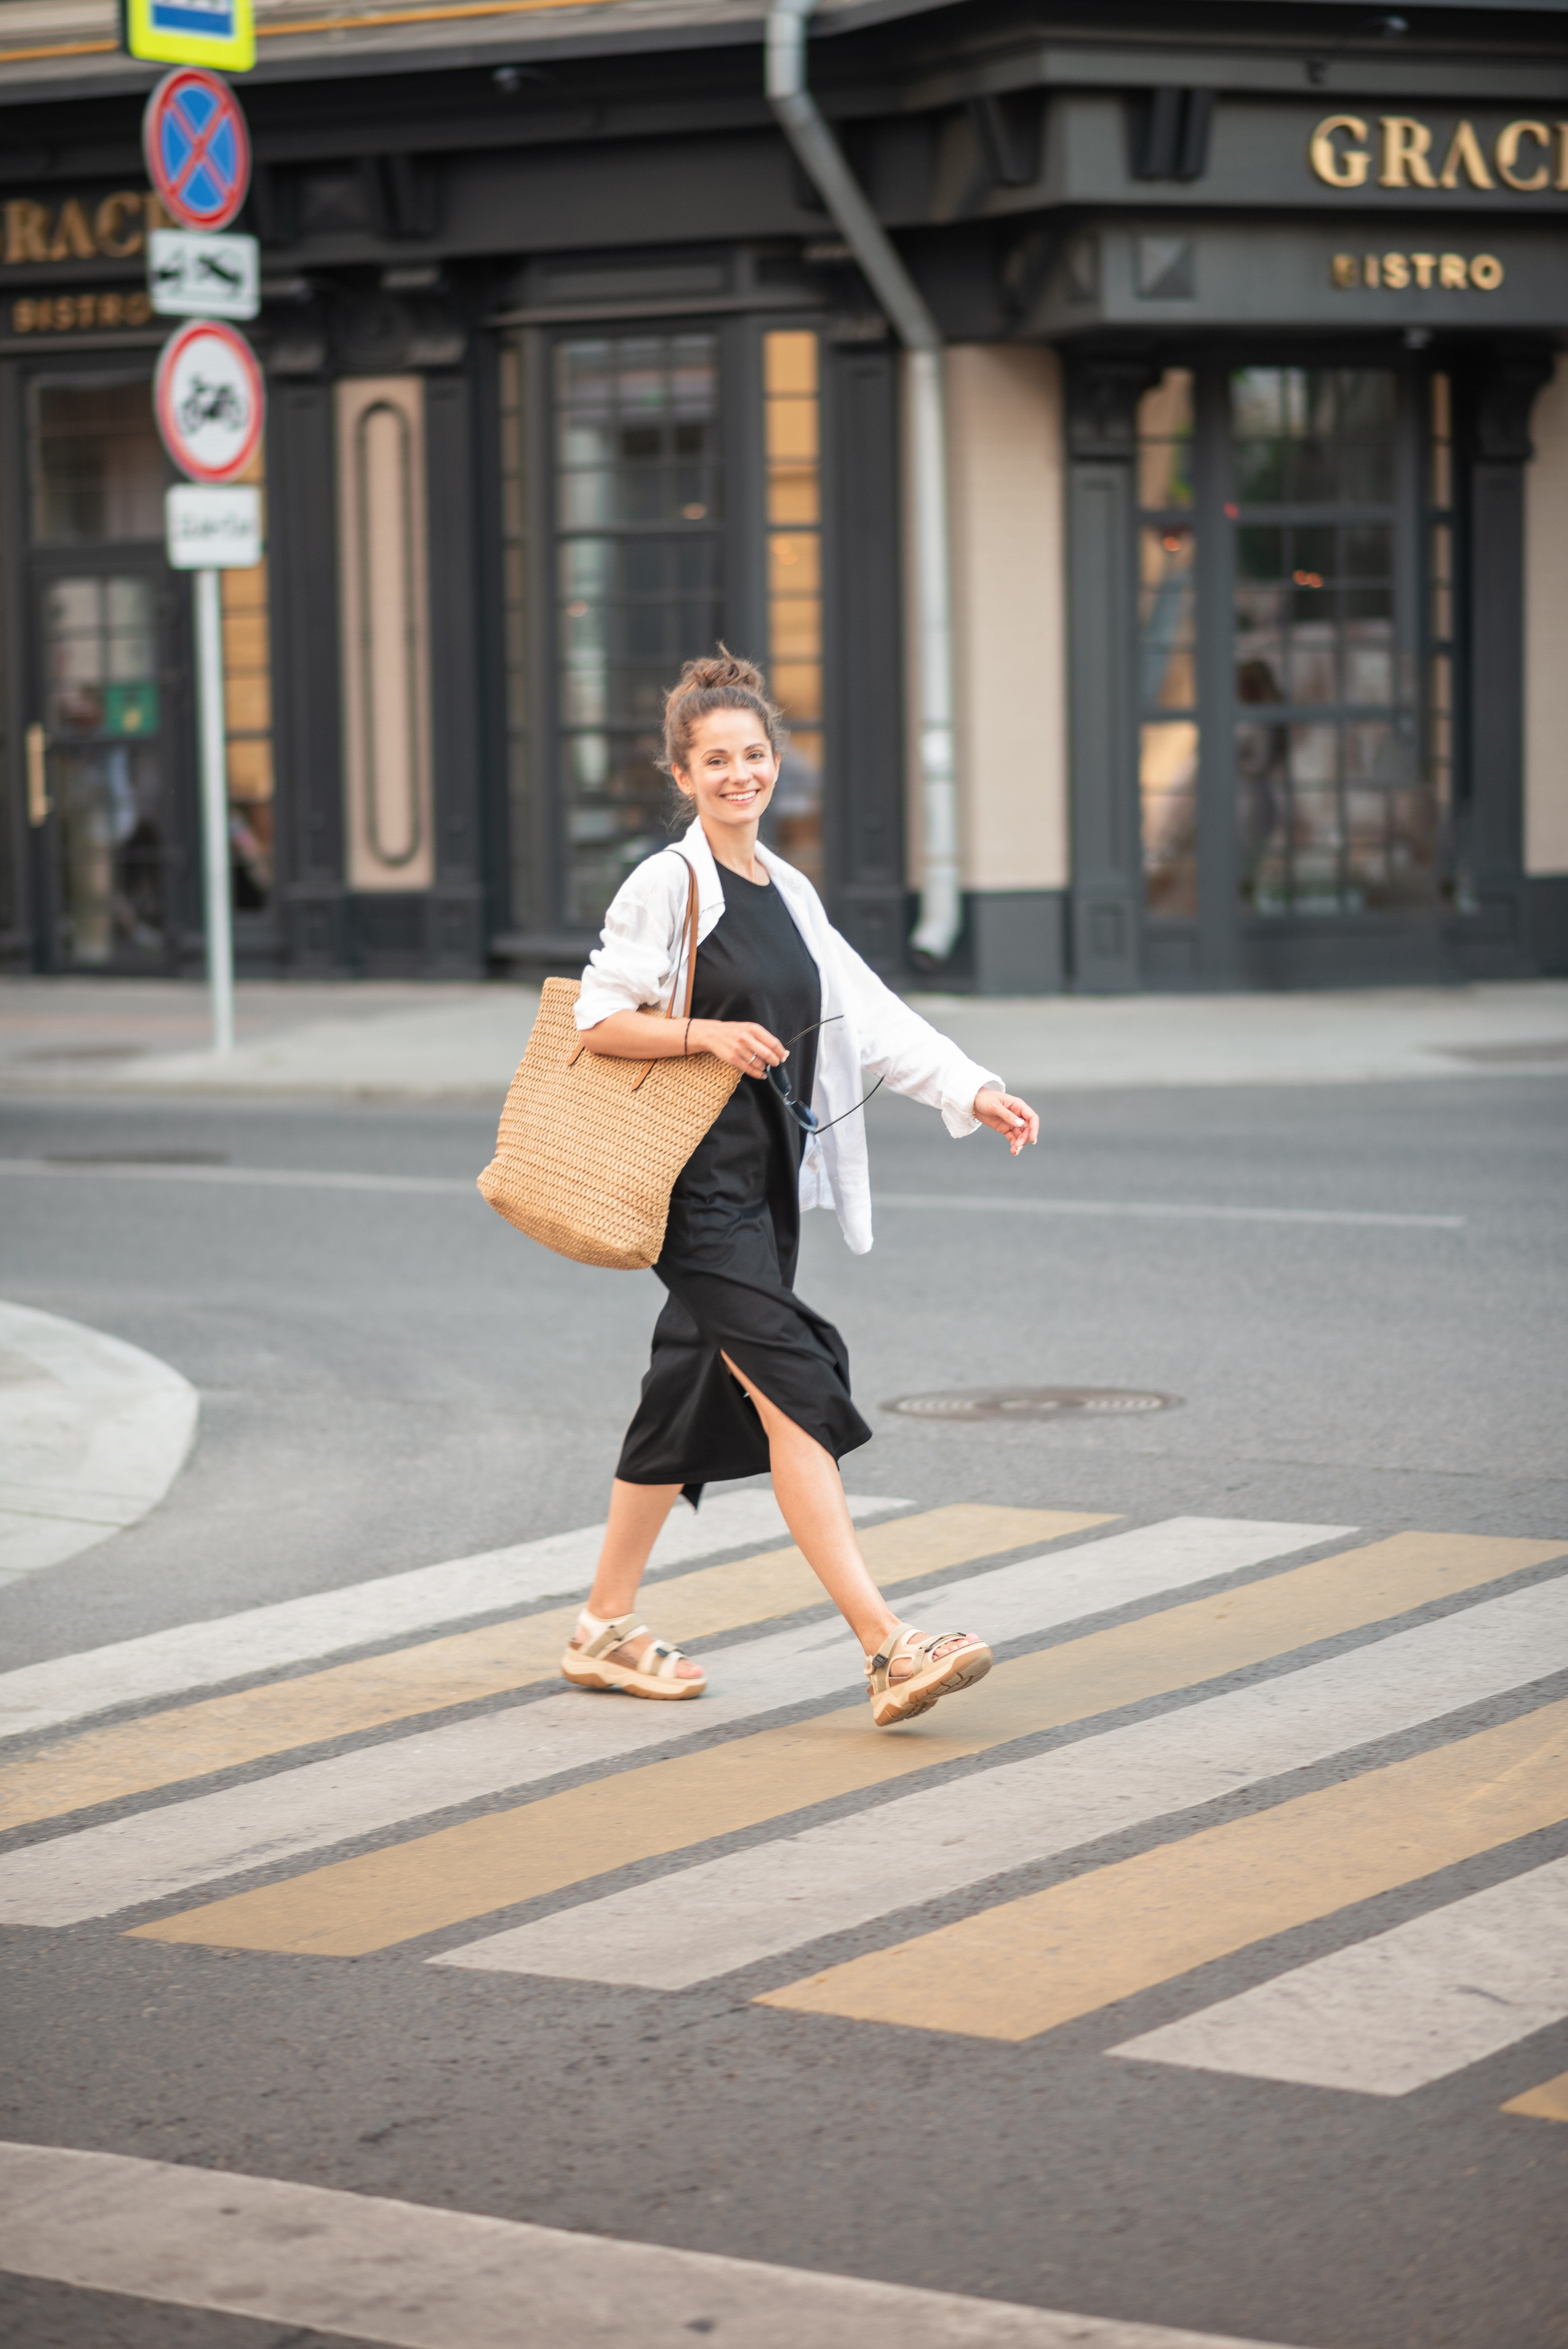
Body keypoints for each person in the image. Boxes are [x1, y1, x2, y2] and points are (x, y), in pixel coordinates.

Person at [562, 651, 1040, 1730]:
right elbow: (598, 1019)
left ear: (776, 763)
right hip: (691, 1191)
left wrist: (973, 1088)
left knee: (680, 1393)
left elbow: (867, 1015)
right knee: (795, 1383)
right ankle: (887, 1645)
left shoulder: (791, 890)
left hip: (763, 1183)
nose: (739, 775)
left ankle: (601, 1625)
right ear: (679, 774)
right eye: (715, 760)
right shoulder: (668, 883)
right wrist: (704, 1031)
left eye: (754, 756)